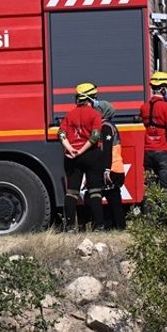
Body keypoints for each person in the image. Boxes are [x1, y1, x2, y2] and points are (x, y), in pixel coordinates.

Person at [59, 84, 104, 231]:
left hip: (72, 157)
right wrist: (82, 150)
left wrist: (70, 148)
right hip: (91, 155)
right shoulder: (95, 114)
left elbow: (61, 134)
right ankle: (99, 226)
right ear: (91, 98)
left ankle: (70, 227)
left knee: (71, 192)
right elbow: (95, 136)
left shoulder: (69, 114)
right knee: (95, 191)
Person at [139, 71, 167, 195]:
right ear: (163, 89)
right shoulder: (166, 106)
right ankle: (165, 213)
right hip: (164, 151)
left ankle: (151, 212)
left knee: (151, 188)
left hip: (148, 152)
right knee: (166, 188)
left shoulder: (144, 107)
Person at [95, 100, 125, 231]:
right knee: (113, 199)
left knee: (113, 200)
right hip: (114, 168)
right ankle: (116, 226)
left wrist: (105, 170)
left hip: (112, 168)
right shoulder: (110, 125)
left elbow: (107, 150)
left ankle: (118, 227)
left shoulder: (106, 127)